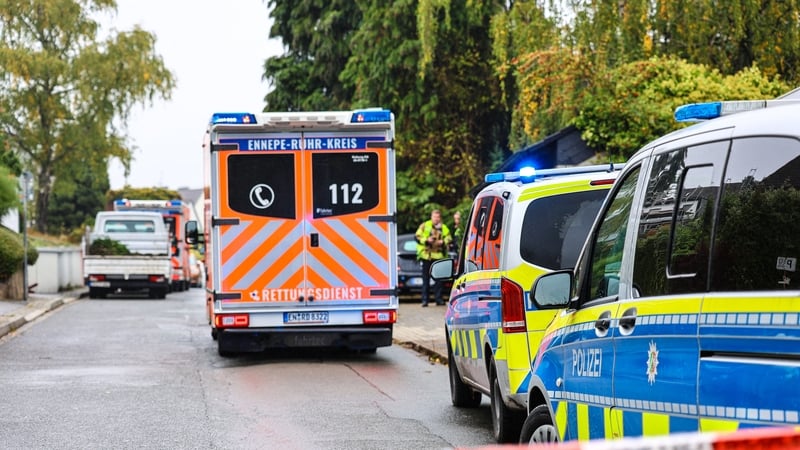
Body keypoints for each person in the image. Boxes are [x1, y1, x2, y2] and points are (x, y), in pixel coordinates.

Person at [415, 209, 452, 306]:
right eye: (434, 217)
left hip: (438, 256)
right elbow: (417, 236)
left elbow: (449, 238)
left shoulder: (444, 227)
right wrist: (427, 240)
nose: (436, 219)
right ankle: (425, 300)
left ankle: (438, 299)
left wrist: (443, 242)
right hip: (427, 256)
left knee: (439, 280)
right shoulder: (425, 225)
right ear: (431, 217)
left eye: (438, 217)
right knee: (425, 279)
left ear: (440, 218)